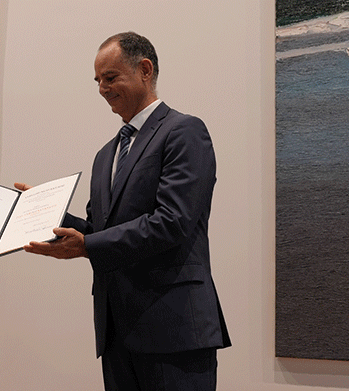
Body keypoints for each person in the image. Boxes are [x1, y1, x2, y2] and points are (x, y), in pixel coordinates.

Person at [18, 32, 231, 390]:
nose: (102, 88)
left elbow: (172, 222)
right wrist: (47, 213)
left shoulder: (184, 132)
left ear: (145, 70)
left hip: (174, 330)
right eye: (98, 80)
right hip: (116, 331)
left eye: (111, 77)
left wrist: (87, 246)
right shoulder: (106, 155)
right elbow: (99, 228)